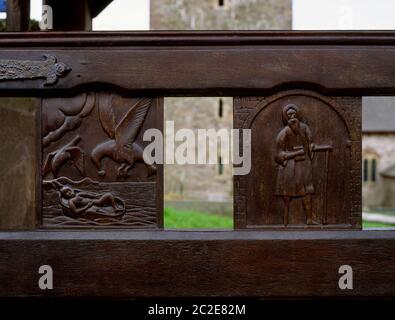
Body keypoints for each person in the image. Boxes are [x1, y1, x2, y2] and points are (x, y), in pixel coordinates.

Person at [274, 104, 332, 226]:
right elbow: (278, 154)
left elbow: (310, 143)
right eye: (289, 115)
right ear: (286, 117)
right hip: (290, 168)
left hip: (304, 165)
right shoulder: (283, 133)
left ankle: (309, 219)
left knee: (307, 192)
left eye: (294, 114)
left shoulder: (305, 128)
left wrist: (313, 147)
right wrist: (293, 154)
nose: (292, 116)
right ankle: (285, 221)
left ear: (298, 114)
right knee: (287, 193)